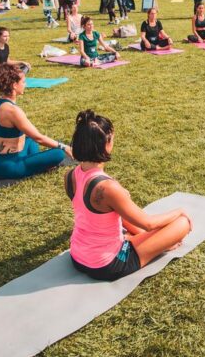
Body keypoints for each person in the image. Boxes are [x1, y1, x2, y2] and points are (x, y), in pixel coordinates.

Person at [66, 109, 192, 282]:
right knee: (182, 224)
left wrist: (120, 196)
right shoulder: (108, 188)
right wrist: (179, 211)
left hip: (78, 257)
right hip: (107, 265)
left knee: (121, 212)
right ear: (107, 143)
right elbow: (148, 224)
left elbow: (91, 210)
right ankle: (158, 244)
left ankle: (148, 241)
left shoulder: (70, 175)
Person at [0, 64, 70, 179]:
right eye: (23, 82)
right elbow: (39, 138)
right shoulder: (13, 111)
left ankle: (36, 163)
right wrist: (64, 147)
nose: (25, 84)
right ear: (14, 85)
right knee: (58, 153)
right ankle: (37, 165)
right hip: (9, 167)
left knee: (30, 141)